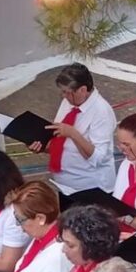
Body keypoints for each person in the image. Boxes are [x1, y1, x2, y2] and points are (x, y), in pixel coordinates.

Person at [29, 63, 116, 193]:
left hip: (90, 188)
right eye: (62, 92)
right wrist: (41, 146)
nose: (64, 96)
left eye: (67, 92)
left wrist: (73, 134)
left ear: (83, 90)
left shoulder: (101, 111)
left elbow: (98, 158)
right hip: (64, 184)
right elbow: (61, 143)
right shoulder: (68, 102)